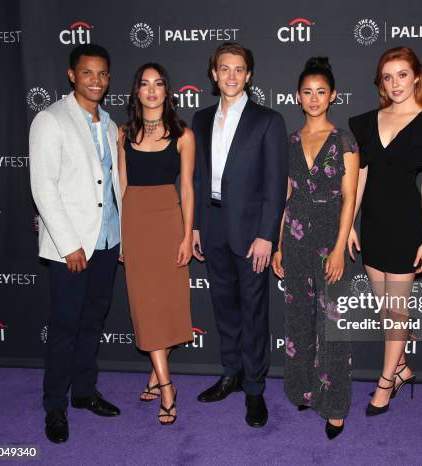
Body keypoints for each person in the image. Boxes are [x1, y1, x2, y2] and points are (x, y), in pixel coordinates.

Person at [348, 47, 422, 416]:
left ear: (418, 76)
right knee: (384, 309)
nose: (395, 84)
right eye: (388, 77)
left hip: (407, 226)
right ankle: (403, 366)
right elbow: (359, 177)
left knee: (397, 311)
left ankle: (385, 382)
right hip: (373, 224)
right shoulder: (365, 122)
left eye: (402, 75)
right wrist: (349, 226)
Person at [192, 42, 288, 428]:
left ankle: (254, 389)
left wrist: (268, 235)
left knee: (253, 311)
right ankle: (230, 373)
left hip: (251, 234)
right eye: (224, 68)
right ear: (214, 74)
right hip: (212, 225)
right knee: (224, 307)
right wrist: (196, 225)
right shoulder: (199, 120)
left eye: (239, 69)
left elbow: (275, 183)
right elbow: (198, 179)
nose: (231, 75)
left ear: (248, 75)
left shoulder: (268, 120)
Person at [29, 44, 121, 444]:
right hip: (73, 248)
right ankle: (55, 406)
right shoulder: (50, 120)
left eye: (102, 74)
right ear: (72, 76)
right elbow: (43, 187)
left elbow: (115, 188)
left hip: (107, 242)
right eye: (88, 73)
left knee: (92, 323)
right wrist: (68, 244)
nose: (96, 81)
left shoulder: (112, 123)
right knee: (65, 327)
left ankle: (84, 392)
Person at [272, 57, 359, 440]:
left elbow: (350, 197)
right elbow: (286, 196)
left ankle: (336, 406)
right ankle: (304, 390)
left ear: (333, 96)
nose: (313, 98)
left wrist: (340, 248)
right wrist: (278, 245)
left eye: (321, 92)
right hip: (295, 237)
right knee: (298, 320)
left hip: (329, 237)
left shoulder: (345, 141)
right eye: (307, 92)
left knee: (334, 326)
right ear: (297, 97)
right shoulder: (290, 142)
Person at [117, 63, 195, 425]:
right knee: (145, 305)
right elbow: (122, 188)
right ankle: (167, 387)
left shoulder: (183, 134)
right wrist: (119, 235)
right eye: (144, 84)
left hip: (168, 221)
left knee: (165, 304)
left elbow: (189, 189)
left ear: (167, 91)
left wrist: (186, 234)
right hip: (135, 223)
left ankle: (156, 374)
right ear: (137, 91)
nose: (151, 90)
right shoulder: (124, 133)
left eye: (158, 83)